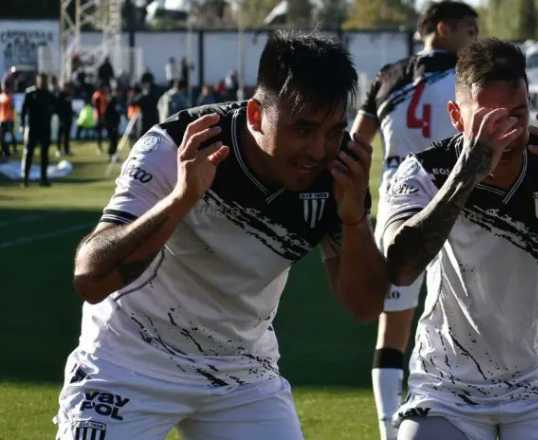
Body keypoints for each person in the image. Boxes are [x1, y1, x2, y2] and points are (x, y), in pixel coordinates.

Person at [54, 30, 388, 439]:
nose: (318, 149)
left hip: (240, 369)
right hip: (128, 357)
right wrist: (181, 199)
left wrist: (354, 220)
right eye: (303, 128)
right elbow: (91, 277)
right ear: (254, 115)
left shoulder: (339, 169)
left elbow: (365, 305)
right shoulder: (179, 145)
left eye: (334, 130)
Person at [380, 38, 538, 440]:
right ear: (456, 116)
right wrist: (466, 176)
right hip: (448, 386)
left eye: (519, 114)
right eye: (490, 119)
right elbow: (400, 268)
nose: (509, 131)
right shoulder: (425, 171)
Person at [349, 2, 478, 438]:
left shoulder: (387, 75)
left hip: (397, 199)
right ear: (442, 28)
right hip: (452, 194)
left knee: (394, 325)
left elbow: (357, 144)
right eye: (469, 29)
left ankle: (389, 429)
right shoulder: (467, 73)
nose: (474, 39)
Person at [21, 73, 57, 187]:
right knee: (29, 153)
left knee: (44, 154)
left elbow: (56, 107)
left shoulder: (49, 94)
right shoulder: (30, 93)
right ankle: (25, 179)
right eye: (41, 80)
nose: (42, 82)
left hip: (45, 128)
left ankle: (43, 179)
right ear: (37, 81)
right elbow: (23, 110)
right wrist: (23, 124)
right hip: (32, 127)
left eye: (44, 81)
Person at [102, 87, 122, 161]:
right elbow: (107, 114)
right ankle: (111, 155)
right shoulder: (111, 101)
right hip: (111, 124)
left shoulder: (116, 100)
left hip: (115, 124)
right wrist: (111, 124)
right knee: (112, 140)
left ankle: (114, 155)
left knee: (115, 140)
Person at [56, 82, 75, 157]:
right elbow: (58, 107)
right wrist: (61, 116)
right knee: (60, 134)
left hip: (68, 117)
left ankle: (66, 150)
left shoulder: (69, 95)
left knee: (67, 135)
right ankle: (58, 150)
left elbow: (69, 107)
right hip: (62, 118)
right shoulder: (60, 95)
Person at [93, 85, 111, 152]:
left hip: (103, 115)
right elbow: (97, 107)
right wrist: (100, 117)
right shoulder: (97, 95)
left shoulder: (103, 95)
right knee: (99, 133)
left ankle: (105, 146)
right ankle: (99, 147)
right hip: (99, 116)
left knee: (106, 131)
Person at [0, 83, 15, 161]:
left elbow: (12, 107)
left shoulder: (10, 97)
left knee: (8, 137)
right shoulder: (1, 96)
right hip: (2, 119)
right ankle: (5, 152)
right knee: (2, 137)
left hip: (9, 120)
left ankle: (9, 152)